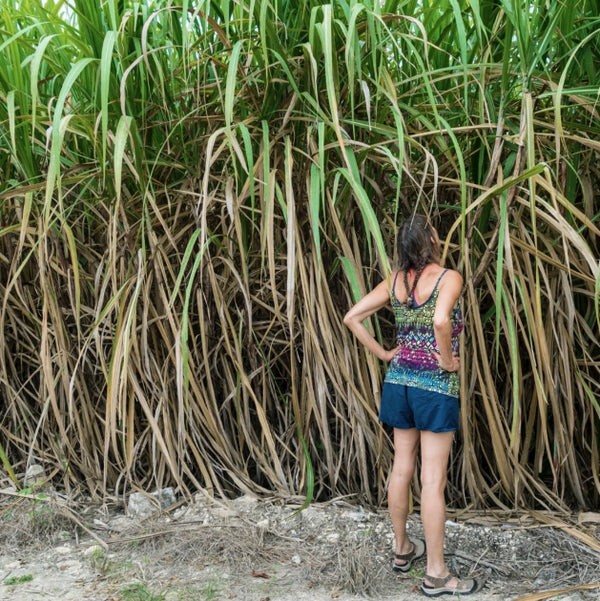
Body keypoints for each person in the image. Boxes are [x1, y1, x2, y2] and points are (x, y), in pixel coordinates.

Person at [343, 214, 477, 597]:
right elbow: (440, 319)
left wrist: (386, 353)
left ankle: (402, 549)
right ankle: (436, 574)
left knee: (401, 467)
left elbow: (353, 316)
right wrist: (448, 360)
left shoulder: (396, 281)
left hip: (398, 382)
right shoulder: (449, 277)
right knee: (432, 479)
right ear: (432, 239)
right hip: (434, 387)